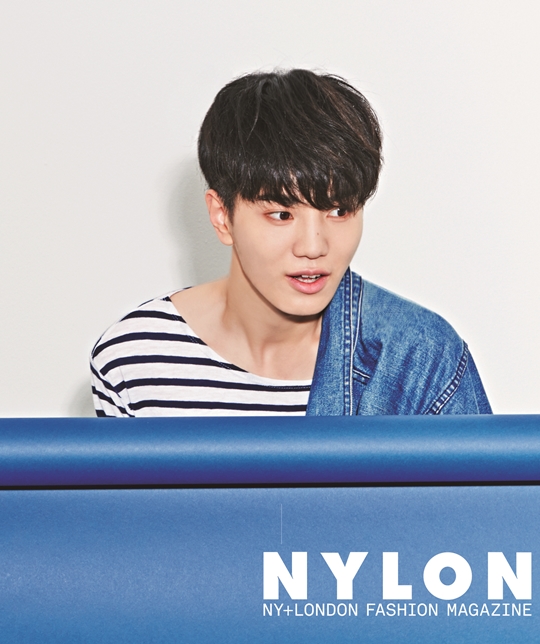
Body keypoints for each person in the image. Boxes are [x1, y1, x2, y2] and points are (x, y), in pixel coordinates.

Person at [90, 69, 492, 417]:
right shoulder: (135, 359)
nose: (314, 246)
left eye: (339, 211)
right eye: (282, 215)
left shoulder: (419, 355)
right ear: (222, 216)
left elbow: (478, 487)